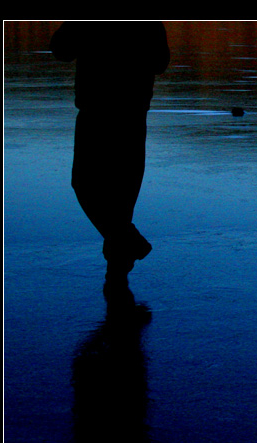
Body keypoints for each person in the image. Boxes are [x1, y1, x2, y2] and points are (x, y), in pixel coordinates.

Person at [50, 22, 170, 287]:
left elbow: (60, 49)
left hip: (99, 111)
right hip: (131, 113)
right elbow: (161, 63)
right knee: (121, 197)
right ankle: (119, 268)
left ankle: (121, 262)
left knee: (86, 184)